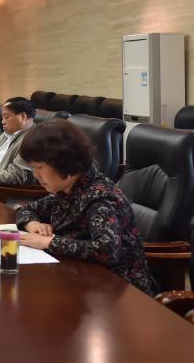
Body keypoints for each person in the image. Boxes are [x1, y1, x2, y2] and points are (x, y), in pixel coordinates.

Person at [14, 119, 155, 295]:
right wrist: (33, 224)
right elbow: (26, 209)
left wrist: (48, 242)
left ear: (63, 161)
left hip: (119, 291)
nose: (35, 175)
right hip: (78, 278)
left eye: (40, 167)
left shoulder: (99, 197)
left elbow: (106, 249)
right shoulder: (67, 189)